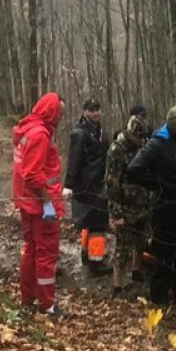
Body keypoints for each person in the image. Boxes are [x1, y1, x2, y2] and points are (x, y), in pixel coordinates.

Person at [126, 106, 176, 305]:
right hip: (166, 212)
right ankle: (158, 301)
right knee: (164, 260)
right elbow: (134, 169)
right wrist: (158, 185)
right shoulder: (157, 144)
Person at [13, 92, 67, 315]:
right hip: (40, 205)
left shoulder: (28, 129)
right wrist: (47, 203)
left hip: (27, 201)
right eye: (60, 114)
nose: (61, 118)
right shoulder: (40, 135)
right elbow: (33, 174)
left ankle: (29, 299)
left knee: (32, 251)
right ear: (51, 112)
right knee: (46, 255)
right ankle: (47, 305)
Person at [65, 98, 112, 275]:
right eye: (91, 110)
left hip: (99, 183)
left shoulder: (100, 131)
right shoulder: (80, 133)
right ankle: (96, 262)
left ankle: (87, 254)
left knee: (90, 222)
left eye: (97, 110)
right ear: (84, 112)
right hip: (87, 185)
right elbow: (73, 160)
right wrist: (69, 184)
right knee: (98, 224)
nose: (95, 113)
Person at [106, 115, 152, 296]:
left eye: (143, 137)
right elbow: (111, 184)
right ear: (130, 134)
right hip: (123, 206)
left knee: (140, 240)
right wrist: (116, 213)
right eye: (139, 137)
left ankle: (136, 271)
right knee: (122, 247)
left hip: (140, 203)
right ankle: (117, 285)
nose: (142, 140)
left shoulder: (142, 148)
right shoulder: (116, 151)